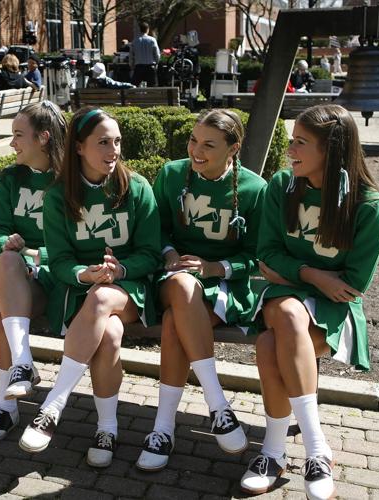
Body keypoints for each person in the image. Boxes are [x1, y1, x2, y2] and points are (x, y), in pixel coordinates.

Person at [238, 104, 379, 498]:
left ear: (332, 149)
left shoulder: (368, 205)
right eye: (291, 140)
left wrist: (292, 271)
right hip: (286, 297)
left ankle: (273, 451)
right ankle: (316, 449)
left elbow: (352, 285)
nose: (290, 149)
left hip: (334, 312)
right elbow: (266, 255)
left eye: (300, 142)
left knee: (271, 345)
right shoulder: (282, 186)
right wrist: (313, 274)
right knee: (287, 312)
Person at [18, 107, 161, 468]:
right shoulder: (58, 196)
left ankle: (52, 405)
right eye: (102, 143)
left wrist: (120, 268)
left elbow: (151, 253)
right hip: (80, 289)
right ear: (79, 147)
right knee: (109, 334)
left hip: (131, 287)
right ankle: (107, 430)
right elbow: (61, 260)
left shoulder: (137, 187)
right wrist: (85, 273)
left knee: (102, 301)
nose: (113, 150)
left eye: (116, 142)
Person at [135, 109, 267, 472]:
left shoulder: (255, 189)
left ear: (233, 148)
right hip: (171, 277)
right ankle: (218, 405)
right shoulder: (171, 174)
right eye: (194, 140)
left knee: (177, 324)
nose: (197, 150)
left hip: (224, 286)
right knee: (180, 285)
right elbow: (152, 229)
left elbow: (258, 256)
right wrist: (170, 253)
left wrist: (215, 268)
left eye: (209, 144)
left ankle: (163, 429)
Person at [0, 101, 67, 445]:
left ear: (43, 138)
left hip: (54, 275)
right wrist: (6, 240)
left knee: (1, 308)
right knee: (9, 261)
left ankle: (4, 406)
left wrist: (39, 252)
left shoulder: (70, 179)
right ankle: (23, 363)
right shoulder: (10, 178)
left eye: (17, 135)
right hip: (14, 268)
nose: (11, 143)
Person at [130, 21, 160, 87]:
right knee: (152, 88)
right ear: (148, 29)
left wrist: (132, 66)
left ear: (140, 29)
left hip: (139, 67)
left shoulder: (134, 41)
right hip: (150, 67)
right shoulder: (152, 40)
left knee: (133, 86)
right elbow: (157, 54)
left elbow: (131, 56)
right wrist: (157, 63)